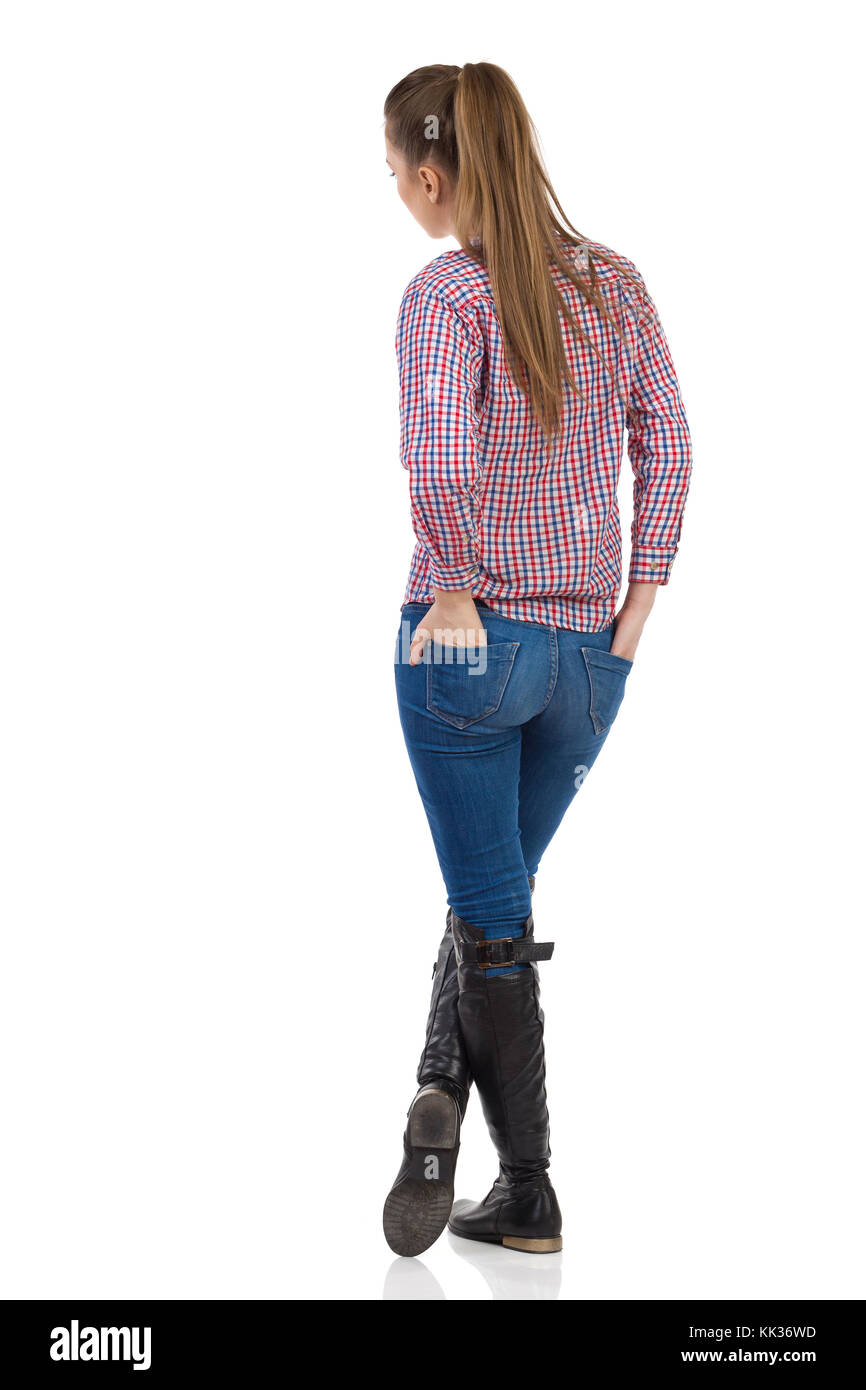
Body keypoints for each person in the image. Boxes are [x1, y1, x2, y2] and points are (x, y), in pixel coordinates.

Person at [382, 62, 693, 1258]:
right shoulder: (613, 285)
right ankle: (432, 1106)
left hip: (467, 650)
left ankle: (526, 1188)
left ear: (427, 174)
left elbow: (436, 456)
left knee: (490, 909)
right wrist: (633, 614)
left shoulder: (445, 296)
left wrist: (453, 581)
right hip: (585, 664)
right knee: (486, 901)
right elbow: (666, 442)